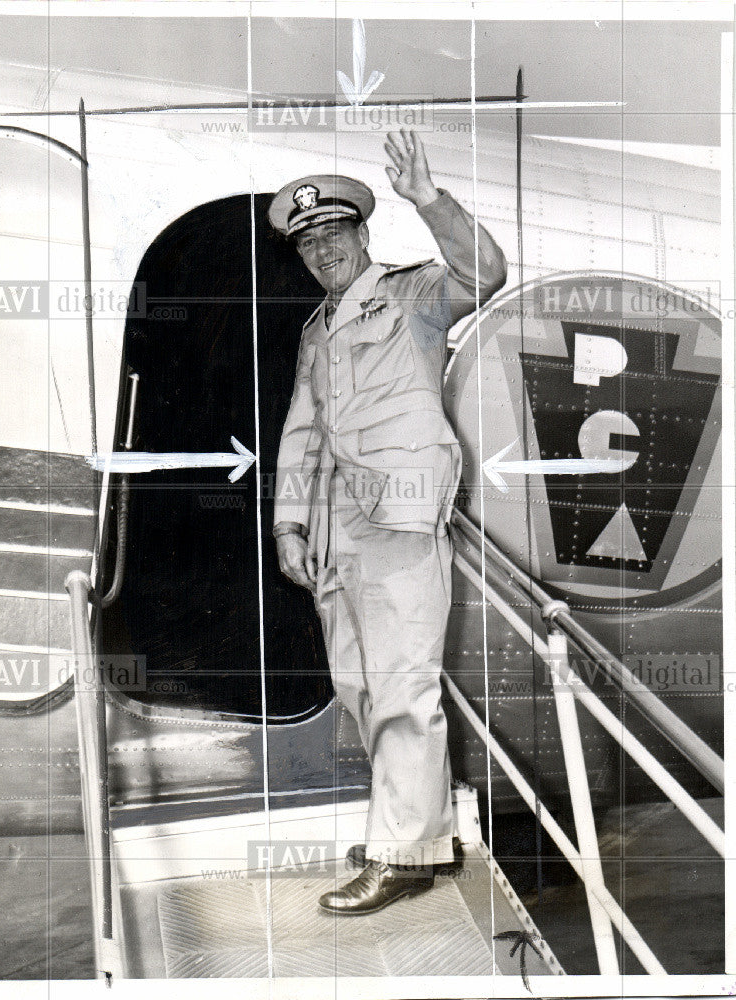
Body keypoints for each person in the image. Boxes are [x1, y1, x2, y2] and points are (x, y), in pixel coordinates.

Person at [268, 129, 507, 915]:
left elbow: (486, 273)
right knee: (361, 688)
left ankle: (401, 853)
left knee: (403, 685)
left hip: (400, 517)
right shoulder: (315, 330)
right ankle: (418, 832)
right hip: (338, 532)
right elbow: (301, 433)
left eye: (333, 235)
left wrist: (428, 200)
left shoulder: (410, 298)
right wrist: (290, 528)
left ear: (361, 235)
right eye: (309, 242)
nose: (322, 250)